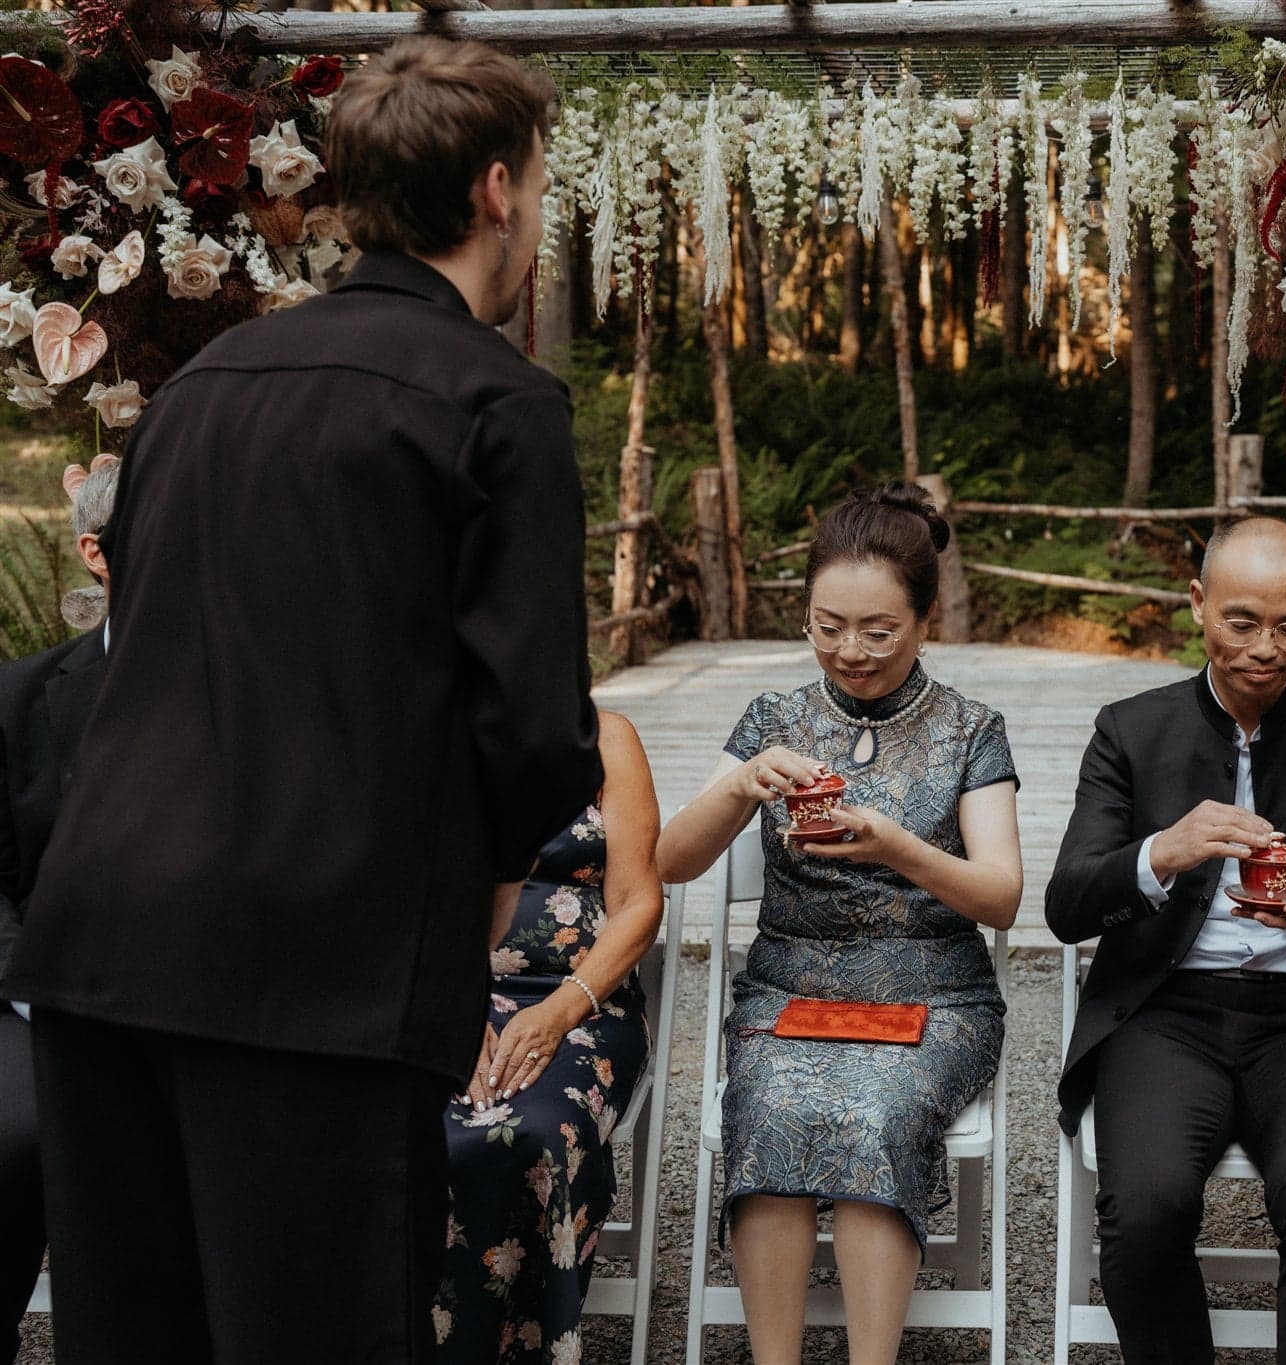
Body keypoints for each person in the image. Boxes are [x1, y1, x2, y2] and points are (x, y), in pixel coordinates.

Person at [1, 38, 602, 1364]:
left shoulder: (199, 393)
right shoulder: (501, 404)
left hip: (101, 948)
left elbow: (141, 650)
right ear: (499, 190)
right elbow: (534, 725)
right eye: (543, 186)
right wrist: (487, 889)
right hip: (319, 972)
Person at [657, 484, 1021, 1365]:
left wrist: (896, 844)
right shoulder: (773, 719)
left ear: (926, 620)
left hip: (933, 994)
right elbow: (669, 860)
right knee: (770, 1103)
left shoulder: (972, 729)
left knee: (876, 1110)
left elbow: (1002, 895)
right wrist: (742, 784)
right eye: (827, 626)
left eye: (877, 630)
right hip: (791, 989)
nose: (848, 651)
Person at [1046, 517, 1286, 1365]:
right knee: (1143, 1208)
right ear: (1197, 606)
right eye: (1241, 622)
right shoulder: (1130, 730)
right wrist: (1159, 853)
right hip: (1165, 1013)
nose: (1265, 648)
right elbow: (1066, 905)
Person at [436, 710, 660, 1365]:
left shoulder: (606, 735)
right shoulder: (412, 722)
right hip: (442, 994)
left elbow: (640, 900)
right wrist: (447, 1005)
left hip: (583, 1001)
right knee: (410, 1117)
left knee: (532, 1125)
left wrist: (563, 1008)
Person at [0, 457, 118, 1364]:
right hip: (34, 1000)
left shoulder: (257, 694)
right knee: (19, 1129)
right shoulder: (20, 697)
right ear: (97, 555)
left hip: (207, 1002)